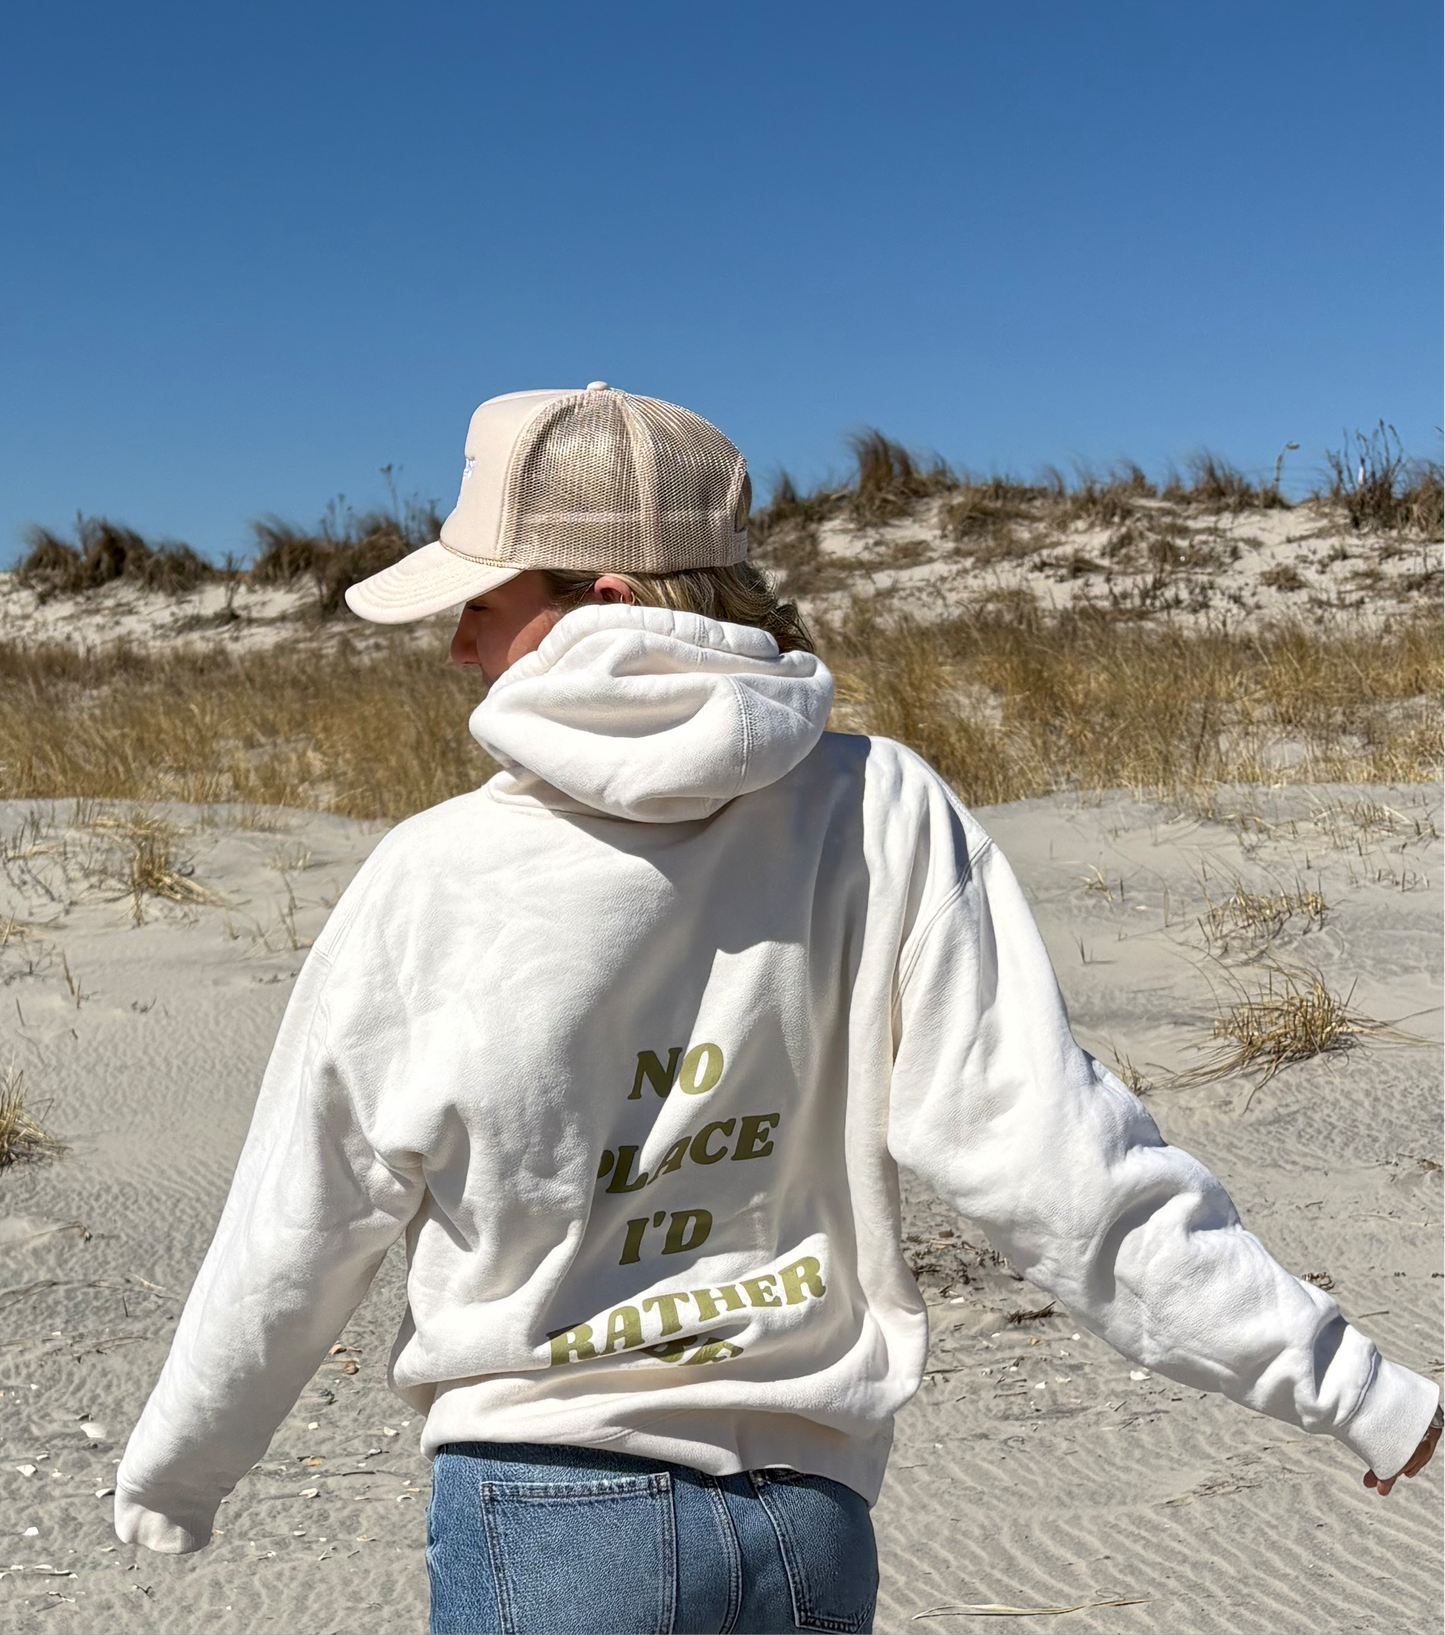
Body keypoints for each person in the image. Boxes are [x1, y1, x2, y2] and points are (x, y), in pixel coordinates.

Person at [116, 383, 1440, 1635]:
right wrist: (1356, 1389)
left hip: (545, 1506)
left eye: (483, 600)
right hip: (807, 1521)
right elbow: (1063, 1161)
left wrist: (178, 1472)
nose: (453, 639)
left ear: (609, 603)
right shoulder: (883, 807)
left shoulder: (434, 871)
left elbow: (306, 1209)